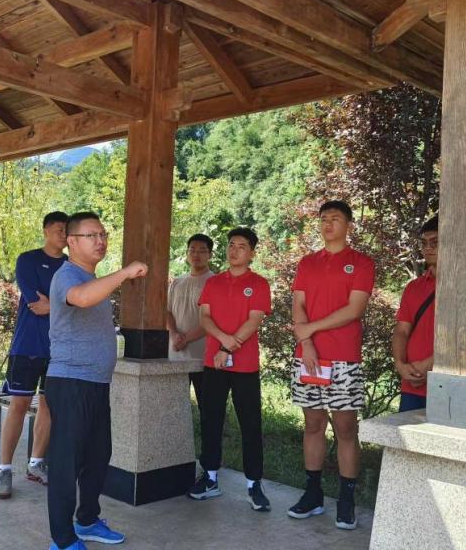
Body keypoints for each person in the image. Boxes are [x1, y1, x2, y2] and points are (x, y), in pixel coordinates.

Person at [46, 212, 146, 550]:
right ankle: (62, 540)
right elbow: (81, 297)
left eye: (103, 234)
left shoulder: (93, 278)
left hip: (96, 383)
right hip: (70, 382)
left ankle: (87, 520)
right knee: (66, 464)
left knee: (97, 456)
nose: (100, 241)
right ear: (71, 242)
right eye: (92, 235)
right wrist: (125, 272)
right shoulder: (66, 275)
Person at [288, 200, 374, 531]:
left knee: (345, 428)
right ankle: (313, 494)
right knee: (312, 424)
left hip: (343, 358)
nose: (328, 224)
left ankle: (346, 500)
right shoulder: (307, 263)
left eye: (335, 218)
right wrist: (307, 342)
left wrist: (310, 328)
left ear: (348, 225)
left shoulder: (361, 263)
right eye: (323, 218)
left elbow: (354, 310)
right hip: (308, 357)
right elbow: (298, 304)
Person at [187, 228, 272, 513]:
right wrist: (223, 341)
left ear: (252, 253)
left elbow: (254, 320)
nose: (234, 251)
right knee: (210, 419)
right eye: (231, 245)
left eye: (241, 246)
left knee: (250, 423)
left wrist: (227, 347)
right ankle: (210, 478)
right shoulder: (214, 282)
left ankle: (254, 484)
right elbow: (204, 317)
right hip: (214, 363)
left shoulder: (259, 284)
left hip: (245, 365)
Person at [0, 211, 68, 499]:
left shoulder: (71, 266)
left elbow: (79, 304)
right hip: (27, 346)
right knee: (19, 404)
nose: (63, 234)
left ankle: (36, 464)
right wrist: (64, 303)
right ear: (46, 230)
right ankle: (4, 469)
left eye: (67, 230)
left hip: (59, 348)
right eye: (59, 229)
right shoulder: (27, 260)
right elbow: (36, 303)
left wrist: (57, 304)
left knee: (49, 406)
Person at [392, 216, 438, 412]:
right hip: (412, 384)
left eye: (435, 242)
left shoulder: (465, 287)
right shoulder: (414, 287)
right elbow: (401, 330)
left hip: (448, 384)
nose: (428, 248)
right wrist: (400, 364)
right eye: (424, 243)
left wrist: (430, 365)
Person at [166, 233, 215, 405]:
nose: (196, 254)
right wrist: (173, 334)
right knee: (175, 406)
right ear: (187, 253)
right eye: (192, 250)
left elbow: (213, 319)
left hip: (204, 357)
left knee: (207, 406)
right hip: (175, 355)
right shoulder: (177, 282)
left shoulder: (215, 282)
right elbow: (167, 312)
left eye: (202, 251)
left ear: (210, 255)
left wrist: (185, 339)